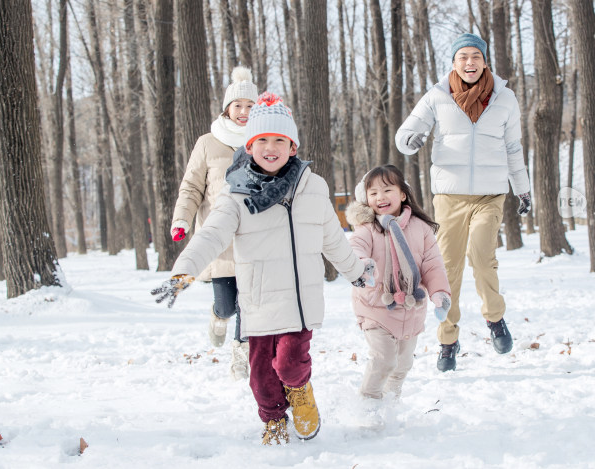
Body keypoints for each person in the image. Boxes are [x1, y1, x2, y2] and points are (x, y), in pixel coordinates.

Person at [152, 92, 375, 445]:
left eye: (279, 140)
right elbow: (211, 235)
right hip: (257, 301)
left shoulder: (313, 188)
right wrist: (185, 269)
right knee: (260, 377)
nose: (271, 147)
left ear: (292, 146)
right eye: (262, 141)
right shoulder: (235, 194)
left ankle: (300, 392)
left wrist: (357, 272)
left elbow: (333, 239)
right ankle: (273, 419)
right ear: (250, 146)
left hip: (300, 303)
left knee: (289, 363)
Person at [395, 32, 532, 373]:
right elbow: (405, 135)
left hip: (490, 193)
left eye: (476, 56)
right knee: (448, 268)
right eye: (463, 57)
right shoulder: (437, 97)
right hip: (450, 196)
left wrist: (523, 188)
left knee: (483, 256)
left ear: (485, 60)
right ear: (453, 63)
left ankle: (495, 318)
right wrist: (411, 141)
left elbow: (513, 148)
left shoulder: (505, 99)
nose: (469, 63)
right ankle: (448, 339)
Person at [346, 165, 450, 426]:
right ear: (366, 199)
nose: (380, 197)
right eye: (373, 193)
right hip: (375, 307)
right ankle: (368, 406)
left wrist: (438, 293)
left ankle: (390, 405)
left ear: (403, 194)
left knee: (402, 365)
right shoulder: (367, 228)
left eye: (387, 190)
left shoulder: (420, 228)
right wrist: (362, 265)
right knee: (384, 359)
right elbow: (356, 246)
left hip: (411, 309)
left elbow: (432, 264)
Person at [171, 67, 256, 379]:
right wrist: (182, 218)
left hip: (252, 238)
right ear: (227, 108)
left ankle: (241, 355)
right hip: (219, 241)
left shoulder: (262, 143)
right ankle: (217, 317)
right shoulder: (208, 142)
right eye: (238, 105)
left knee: (249, 306)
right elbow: (192, 186)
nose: (244, 112)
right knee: (227, 305)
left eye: (251, 106)